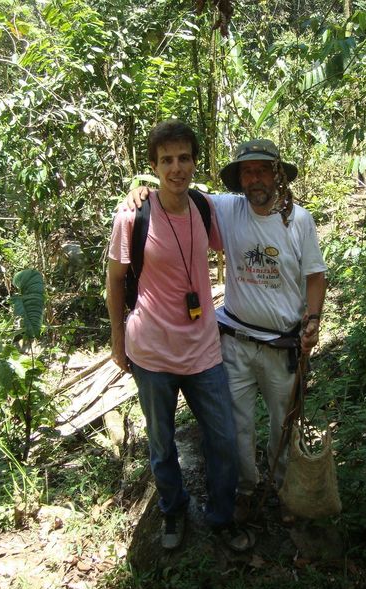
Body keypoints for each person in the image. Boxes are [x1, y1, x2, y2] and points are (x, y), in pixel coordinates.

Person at [127, 139, 327, 524]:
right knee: (236, 428)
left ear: (277, 175)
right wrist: (140, 192)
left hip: (282, 345)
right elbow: (176, 187)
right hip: (234, 341)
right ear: (238, 179)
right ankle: (246, 490)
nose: (255, 179)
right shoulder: (225, 208)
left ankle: (285, 488)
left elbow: (315, 277)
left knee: (283, 422)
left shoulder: (299, 221)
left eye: (263, 170)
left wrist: (313, 320)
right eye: (247, 171)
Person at [106, 120, 251, 551]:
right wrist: (117, 339)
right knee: (161, 441)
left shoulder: (206, 208)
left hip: (203, 349)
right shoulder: (133, 214)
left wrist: (283, 204)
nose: (176, 168)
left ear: (193, 161)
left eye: (183, 158)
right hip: (151, 352)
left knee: (223, 438)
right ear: (153, 166)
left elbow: (249, 218)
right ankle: (172, 510)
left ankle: (221, 517)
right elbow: (114, 281)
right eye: (166, 160)